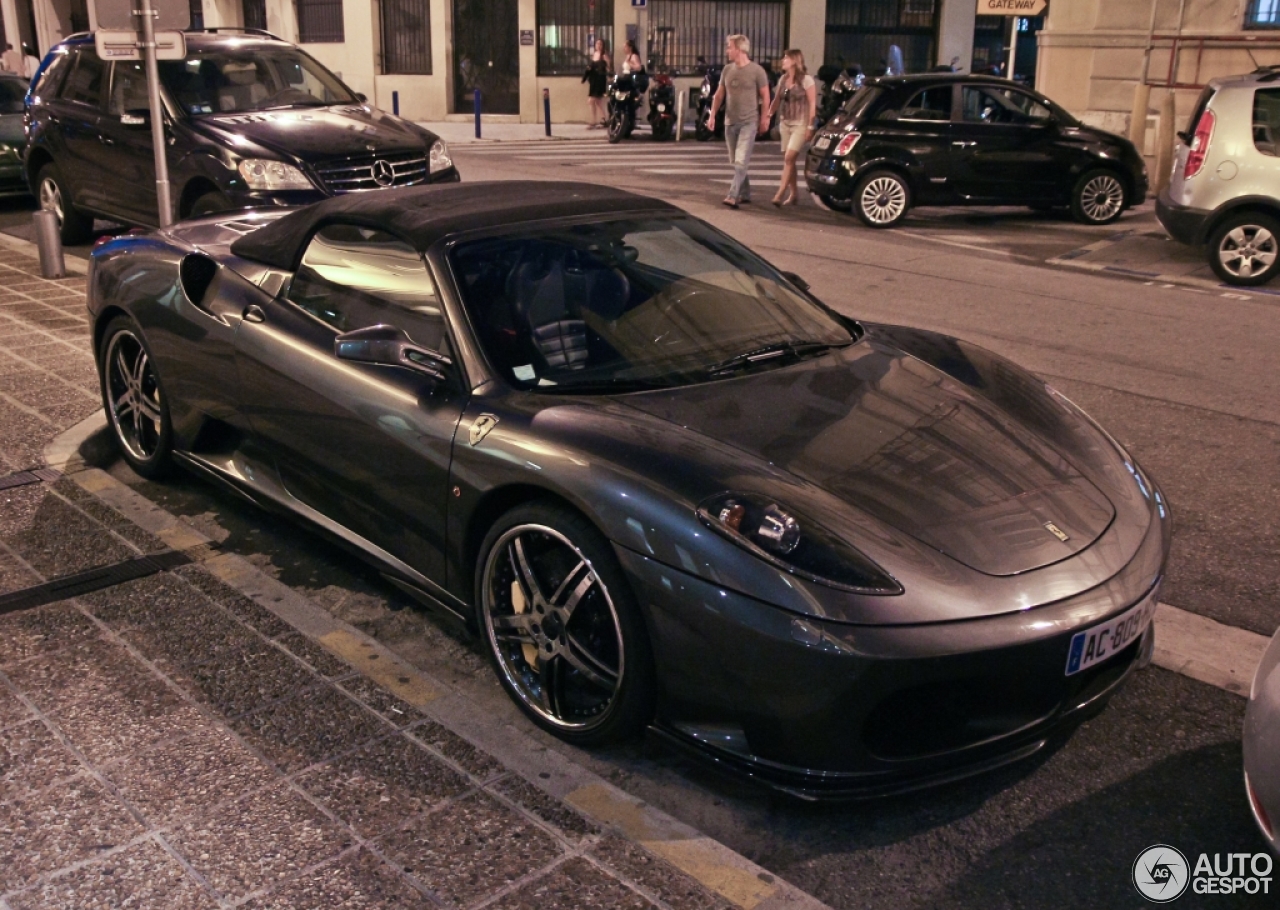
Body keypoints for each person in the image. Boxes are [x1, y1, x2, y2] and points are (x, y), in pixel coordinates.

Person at [706, 34, 769, 209]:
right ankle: (746, 193)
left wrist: (765, 118)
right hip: (730, 122)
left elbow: (765, 95)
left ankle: (733, 195)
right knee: (737, 162)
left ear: (739, 49)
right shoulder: (727, 70)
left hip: (749, 122)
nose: (727, 50)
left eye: (729, 47)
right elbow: (719, 95)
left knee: (741, 160)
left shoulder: (757, 71)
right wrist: (712, 116)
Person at [766, 49, 816, 206]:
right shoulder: (783, 79)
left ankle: (779, 194)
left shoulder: (807, 80)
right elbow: (777, 99)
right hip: (785, 122)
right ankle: (794, 193)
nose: (783, 60)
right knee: (789, 160)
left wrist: (810, 126)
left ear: (795, 61)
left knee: (789, 158)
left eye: (786, 58)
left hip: (800, 123)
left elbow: (813, 103)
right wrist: (768, 115)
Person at [583, 38, 610, 129]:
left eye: (600, 44)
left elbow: (608, 68)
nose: (598, 46)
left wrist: (606, 71)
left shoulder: (604, 55)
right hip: (593, 79)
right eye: (597, 44)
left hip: (600, 79)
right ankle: (604, 119)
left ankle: (594, 121)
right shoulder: (594, 54)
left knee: (591, 100)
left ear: (603, 46)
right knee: (598, 101)